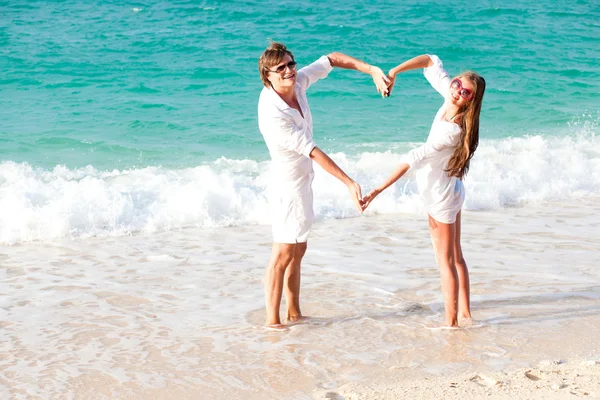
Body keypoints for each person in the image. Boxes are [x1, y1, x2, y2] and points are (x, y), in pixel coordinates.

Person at [258, 42, 389, 329]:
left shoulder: (297, 82)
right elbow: (313, 150)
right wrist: (348, 182)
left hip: (303, 183)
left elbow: (330, 59)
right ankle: (272, 323)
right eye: (280, 68)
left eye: (291, 63)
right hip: (286, 188)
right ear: (267, 75)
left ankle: (294, 313)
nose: (289, 70)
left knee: (298, 249)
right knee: (282, 253)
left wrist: (371, 70)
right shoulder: (273, 112)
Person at [362, 54, 486, 328]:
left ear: (470, 101)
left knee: (446, 262)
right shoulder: (450, 99)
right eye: (456, 84)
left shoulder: (453, 130)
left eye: (464, 92)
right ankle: (465, 313)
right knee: (456, 256)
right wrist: (394, 71)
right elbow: (431, 61)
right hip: (450, 189)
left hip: (440, 197)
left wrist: (377, 189)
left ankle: (451, 322)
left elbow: (413, 157)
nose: (456, 90)